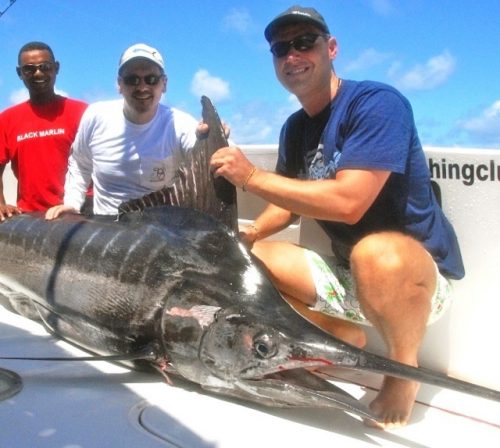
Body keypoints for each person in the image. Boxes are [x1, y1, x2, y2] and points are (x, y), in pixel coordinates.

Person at [209, 5, 465, 430]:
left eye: (304, 43)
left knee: (376, 253)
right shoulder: (294, 128)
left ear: (331, 48)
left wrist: (251, 176)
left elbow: (350, 202)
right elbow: (289, 202)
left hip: (416, 278)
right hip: (350, 275)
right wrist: (249, 235)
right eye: (281, 48)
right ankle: (341, 337)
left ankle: (404, 372)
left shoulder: (377, 104)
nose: (292, 55)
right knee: (247, 262)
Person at [45, 43, 202, 219]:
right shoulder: (96, 116)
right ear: (120, 84)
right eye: (132, 80)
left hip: (162, 229)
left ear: (164, 84)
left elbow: (214, 158)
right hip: (107, 227)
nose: (142, 87)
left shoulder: (180, 124)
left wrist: (216, 139)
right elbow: (80, 164)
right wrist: (72, 203)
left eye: (151, 79)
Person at [0, 41, 88, 221]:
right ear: (19, 73)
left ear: (56, 68)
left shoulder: (84, 112)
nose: (38, 73)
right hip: (31, 219)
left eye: (45, 67)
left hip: (80, 214)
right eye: (29, 69)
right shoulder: (6, 119)